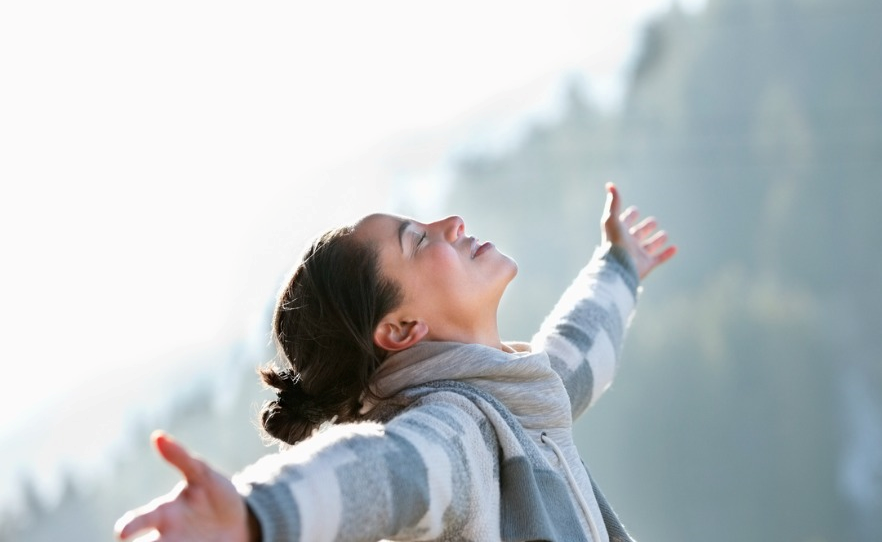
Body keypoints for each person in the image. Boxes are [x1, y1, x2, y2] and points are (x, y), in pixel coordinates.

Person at [114, 182, 676, 542]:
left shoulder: (515, 400)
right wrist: (254, 515)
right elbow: (383, 470)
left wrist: (619, 268)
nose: (451, 224)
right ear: (402, 329)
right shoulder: (455, 433)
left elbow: (574, 358)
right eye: (416, 240)